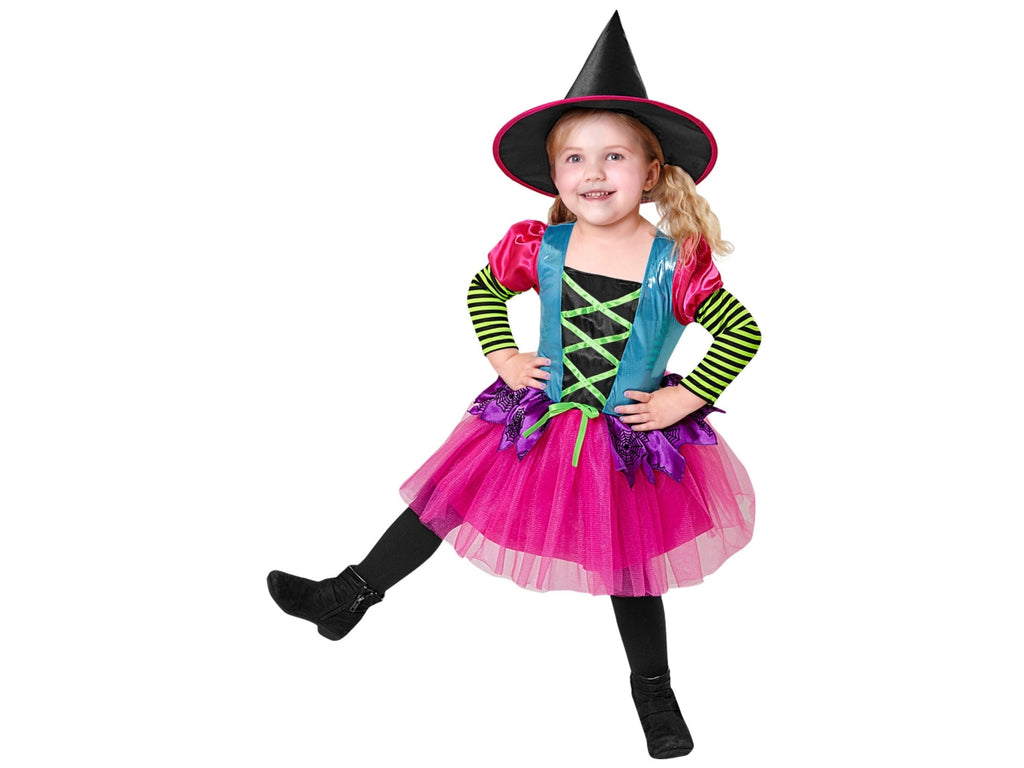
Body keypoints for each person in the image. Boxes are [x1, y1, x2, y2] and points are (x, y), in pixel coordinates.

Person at [267, 12, 759, 760]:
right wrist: (502, 355)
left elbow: (742, 332)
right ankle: (349, 595)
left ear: (652, 173)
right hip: (537, 417)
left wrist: (678, 400)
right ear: (556, 175)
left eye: (615, 156)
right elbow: (482, 290)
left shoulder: (676, 261)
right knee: (445, 499)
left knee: (632, 565)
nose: (594, 173)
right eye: (576, 159)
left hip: (628, 434)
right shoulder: (542, 245)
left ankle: (653, 690)